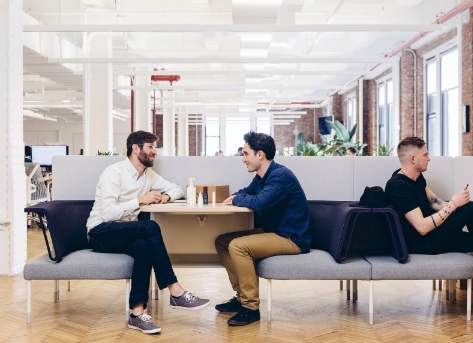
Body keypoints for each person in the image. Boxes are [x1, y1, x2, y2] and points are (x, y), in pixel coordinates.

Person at [86, 130, 210, 335]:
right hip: (100, 233)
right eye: (150, 147)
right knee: (149, 227)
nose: (155, 152)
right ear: (136, 148)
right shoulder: (113, 172)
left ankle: (136, 314)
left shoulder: (148, 174)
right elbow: (108, 214)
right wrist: (139, 200)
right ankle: (175, 290)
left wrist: (165, 197)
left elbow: (176, 189)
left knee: (144, 246)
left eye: (155, 148)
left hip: (126, 233)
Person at [214, 131, 311, 326]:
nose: (243, 159)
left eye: (246, 153)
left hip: (291, 238)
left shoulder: (279, 176)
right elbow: (246, 193)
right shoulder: (261, 177)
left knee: (238, 246)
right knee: (223, 242)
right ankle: (242, 296)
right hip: (275, 232)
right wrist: (236, 197)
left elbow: (260, 202)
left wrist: (237, 199)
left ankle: (250, 308)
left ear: (260, 155)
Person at [385, 136, 473, 257]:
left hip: (434, 236)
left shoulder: (416, 177)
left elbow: (433, 202)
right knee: (472, 208)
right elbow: (422, 227)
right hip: (421, 243)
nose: (428, 159)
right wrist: (453, 203)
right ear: (413, 159)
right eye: (425, 155)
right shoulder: (398, 186)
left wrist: (458, 204)